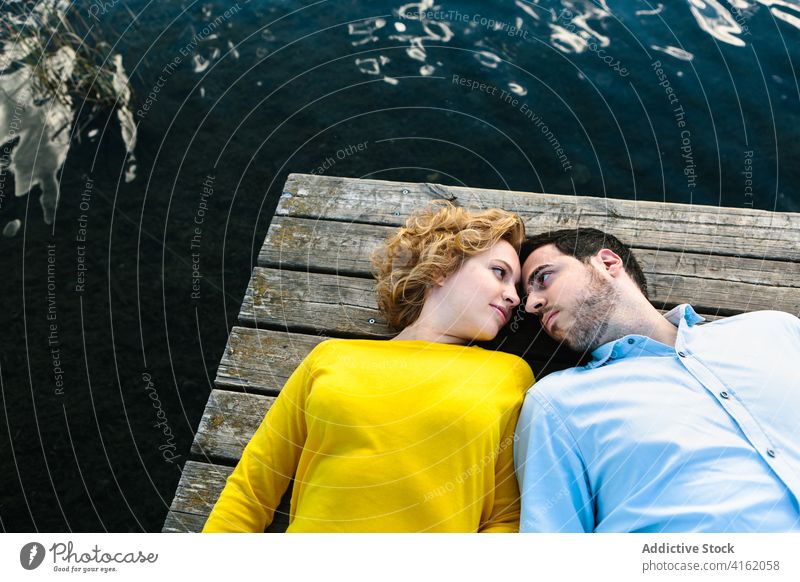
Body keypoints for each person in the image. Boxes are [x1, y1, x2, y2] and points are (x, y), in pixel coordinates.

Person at [203, 203, 534, 532]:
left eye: (516, 288)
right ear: (441, 268)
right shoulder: (331, 357)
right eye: (499, 273)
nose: (514, 297)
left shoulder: (506, 375)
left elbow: (505, 519)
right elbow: (251, 490)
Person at [514, 227, 800, 532]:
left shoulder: (775, 329)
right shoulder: (557, 402)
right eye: (526, 298)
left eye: (543, 279)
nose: (532, 304)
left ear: (608, 264)